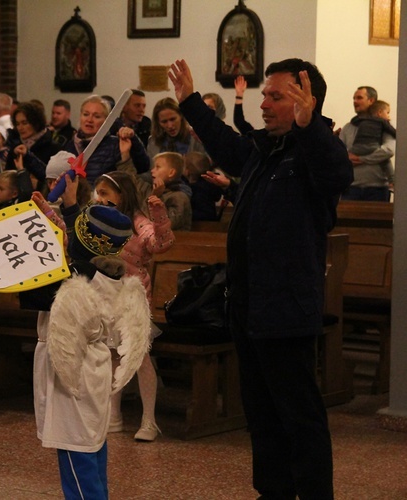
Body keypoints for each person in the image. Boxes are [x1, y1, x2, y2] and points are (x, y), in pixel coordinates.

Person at [168, 58, 353, 499]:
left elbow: (336, 174)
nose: (264, 104)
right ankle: (272, 493)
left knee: (298, 414)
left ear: (307, 100)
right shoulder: (265, 150)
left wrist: (310, 129)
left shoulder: (315, 151)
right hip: (249, 305)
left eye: (276, 96)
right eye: (264, 95)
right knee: (262, 414)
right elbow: (226, 145)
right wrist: (191, 102)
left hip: (287, 306)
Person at [34, 203, 151, 499]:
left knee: (78, 464)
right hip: (93, 370)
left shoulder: (74, 282)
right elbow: (74, 251)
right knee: (93, 453)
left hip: (72, 374)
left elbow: (31, 286)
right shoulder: (107, 276)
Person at [90, 171, 175, 442]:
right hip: (106, 295)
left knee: (138, 357)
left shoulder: (138, 222)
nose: (99, 198)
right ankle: (113, 416)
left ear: (122, 195)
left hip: (133, 298)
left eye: (105, 193)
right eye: (98, 193)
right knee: (113, 355)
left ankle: (149, 420)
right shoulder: (98, 221)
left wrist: (159, 215)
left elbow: (160, 243)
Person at [63, 95, 151, 186]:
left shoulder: (115, 144)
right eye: (86, 114)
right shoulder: (70, 145)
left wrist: (133, 139)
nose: (89, 120)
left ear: (106, 121)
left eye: (96, 116)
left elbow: (143, 167)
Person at [339, 86, 392, 201]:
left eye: (359, 98)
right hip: (351, 189)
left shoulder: (383, 125)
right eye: (354, 98)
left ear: (371, 100)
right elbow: (339, 154)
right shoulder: (348, 128)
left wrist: (361, 159)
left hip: (378, 189)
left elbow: (388, 150)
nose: (355, 102)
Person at [5, 101, 62, 183]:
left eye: (24, 123)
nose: (20, 128)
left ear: (36, 122)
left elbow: (52, 179)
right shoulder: (15, 146)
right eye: (17, 124)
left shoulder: (53, 147)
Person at [347, 100, 396, 189]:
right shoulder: (383, 122)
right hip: (371, 146)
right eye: (387, 113)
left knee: (346, 157)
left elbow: (353, 121)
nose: (389, 116)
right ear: (380, 113)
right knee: (385, 159)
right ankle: (392, 180)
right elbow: (394, 132)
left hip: (357, 147)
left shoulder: (361, 120)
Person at [151, 152, 192, 230]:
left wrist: (156, 197)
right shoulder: (156, 191)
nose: (152, 171)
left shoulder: (179, 196)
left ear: (171, 172)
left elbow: (169, 224)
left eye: (157, 167)